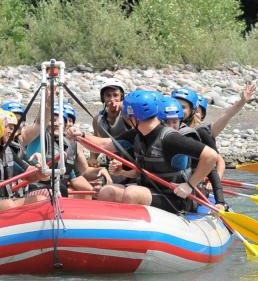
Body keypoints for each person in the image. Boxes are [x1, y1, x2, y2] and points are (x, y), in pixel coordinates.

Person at [68, 90, 221, 214]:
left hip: (174, 198)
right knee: (107, 192)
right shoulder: (137, 135)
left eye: (127, 117)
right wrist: (81, 136)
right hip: (149, 190)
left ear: (134, 117)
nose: (126, 119)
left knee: (132, 193)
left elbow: (211, 156)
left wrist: (190, 185)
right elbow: (105, 144)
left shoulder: (171, 138)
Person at [157, 95, 226, 209]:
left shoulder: (190, 137)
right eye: (166, 123)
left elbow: (212, 168)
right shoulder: (150, 136)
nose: (171, 127)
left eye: (174, 122)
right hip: (161, 188)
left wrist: (220, 201)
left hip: (188, 192)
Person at [90, 78, 131, 166]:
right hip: (112, 164)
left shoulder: (127, 115)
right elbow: (96, 142)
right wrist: (93, 158)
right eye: (108, 96)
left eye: (115, 95)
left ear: (121, 97)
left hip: (131, 162)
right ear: (103, 98)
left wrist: (121, 106)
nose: (112, 99)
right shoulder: (97, 120)